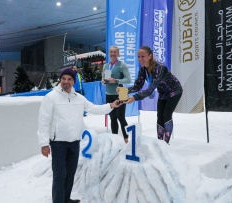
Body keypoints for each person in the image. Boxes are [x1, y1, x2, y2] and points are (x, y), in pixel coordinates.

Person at [37, 68, 122, 203]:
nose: (66, 81)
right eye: (64, 78)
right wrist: (43, 144)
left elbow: (94, 108)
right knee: (59, 175)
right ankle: (58, 200)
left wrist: (111, 105)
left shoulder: (79, 98)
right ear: (60, 80)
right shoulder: (51, 97)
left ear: (73, 81)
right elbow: (43, 121)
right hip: (58, 142)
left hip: (74, 142)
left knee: (70, 173)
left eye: (70, 79)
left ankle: (66, 198)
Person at [123, 45, 183, 144]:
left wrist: (135, 97)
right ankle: (160, 142)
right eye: (138, 56)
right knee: (160, 116)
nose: (140, 59)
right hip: (163, 93)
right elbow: (138, 86)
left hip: (174, 91)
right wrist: (125, 91)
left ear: (150, 56)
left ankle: (165, 143)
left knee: (166, 114)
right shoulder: (143, 70)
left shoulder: (159, 67)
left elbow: (151, 88)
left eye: (143, 56)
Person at [102, 46, 131, 143]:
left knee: (121, 117)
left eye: (115, 52)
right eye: (111, 52)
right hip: (109, 93)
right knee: (112, 117)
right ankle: (115, 140)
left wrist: (116, 80)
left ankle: (126, 139)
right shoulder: (106, 66)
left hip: (121, 92)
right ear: (109, 54)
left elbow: (128, 79)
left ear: (118, 54)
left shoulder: (122, 65)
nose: (113, 54)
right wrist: (104, 81)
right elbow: (105, 79)